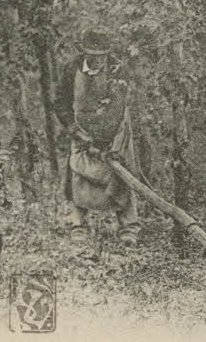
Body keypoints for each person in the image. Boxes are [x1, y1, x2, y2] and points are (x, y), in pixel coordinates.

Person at [55, 30, 145, 256]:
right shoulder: (71, 69)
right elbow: (61, 105)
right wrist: (77, 132)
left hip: (114, 129)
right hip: (82, 129)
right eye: (92, 54)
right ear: (84, 52)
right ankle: (79, 226)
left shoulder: (117, 70)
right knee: (78, 172)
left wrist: (103, 143)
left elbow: (116, 110)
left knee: (121, 174)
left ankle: (128, 228)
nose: (98, 59)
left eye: (102, 54)